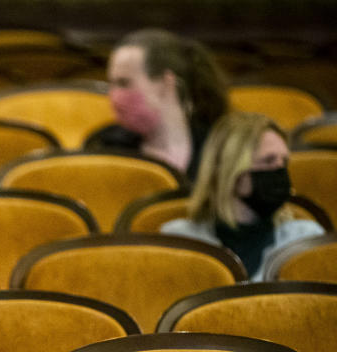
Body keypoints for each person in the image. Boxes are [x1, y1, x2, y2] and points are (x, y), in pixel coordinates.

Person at [161, 111, 325, 280]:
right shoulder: (180, 242)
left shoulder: (305, 241)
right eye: (268, 161)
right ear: (229, 169)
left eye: (284, 162)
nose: (280, 171)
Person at [87, 29, 228, 179]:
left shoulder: (221, 149)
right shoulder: (104, 146)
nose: (114, 96)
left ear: (166, 83)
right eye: (111, 84)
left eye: (124, 83)